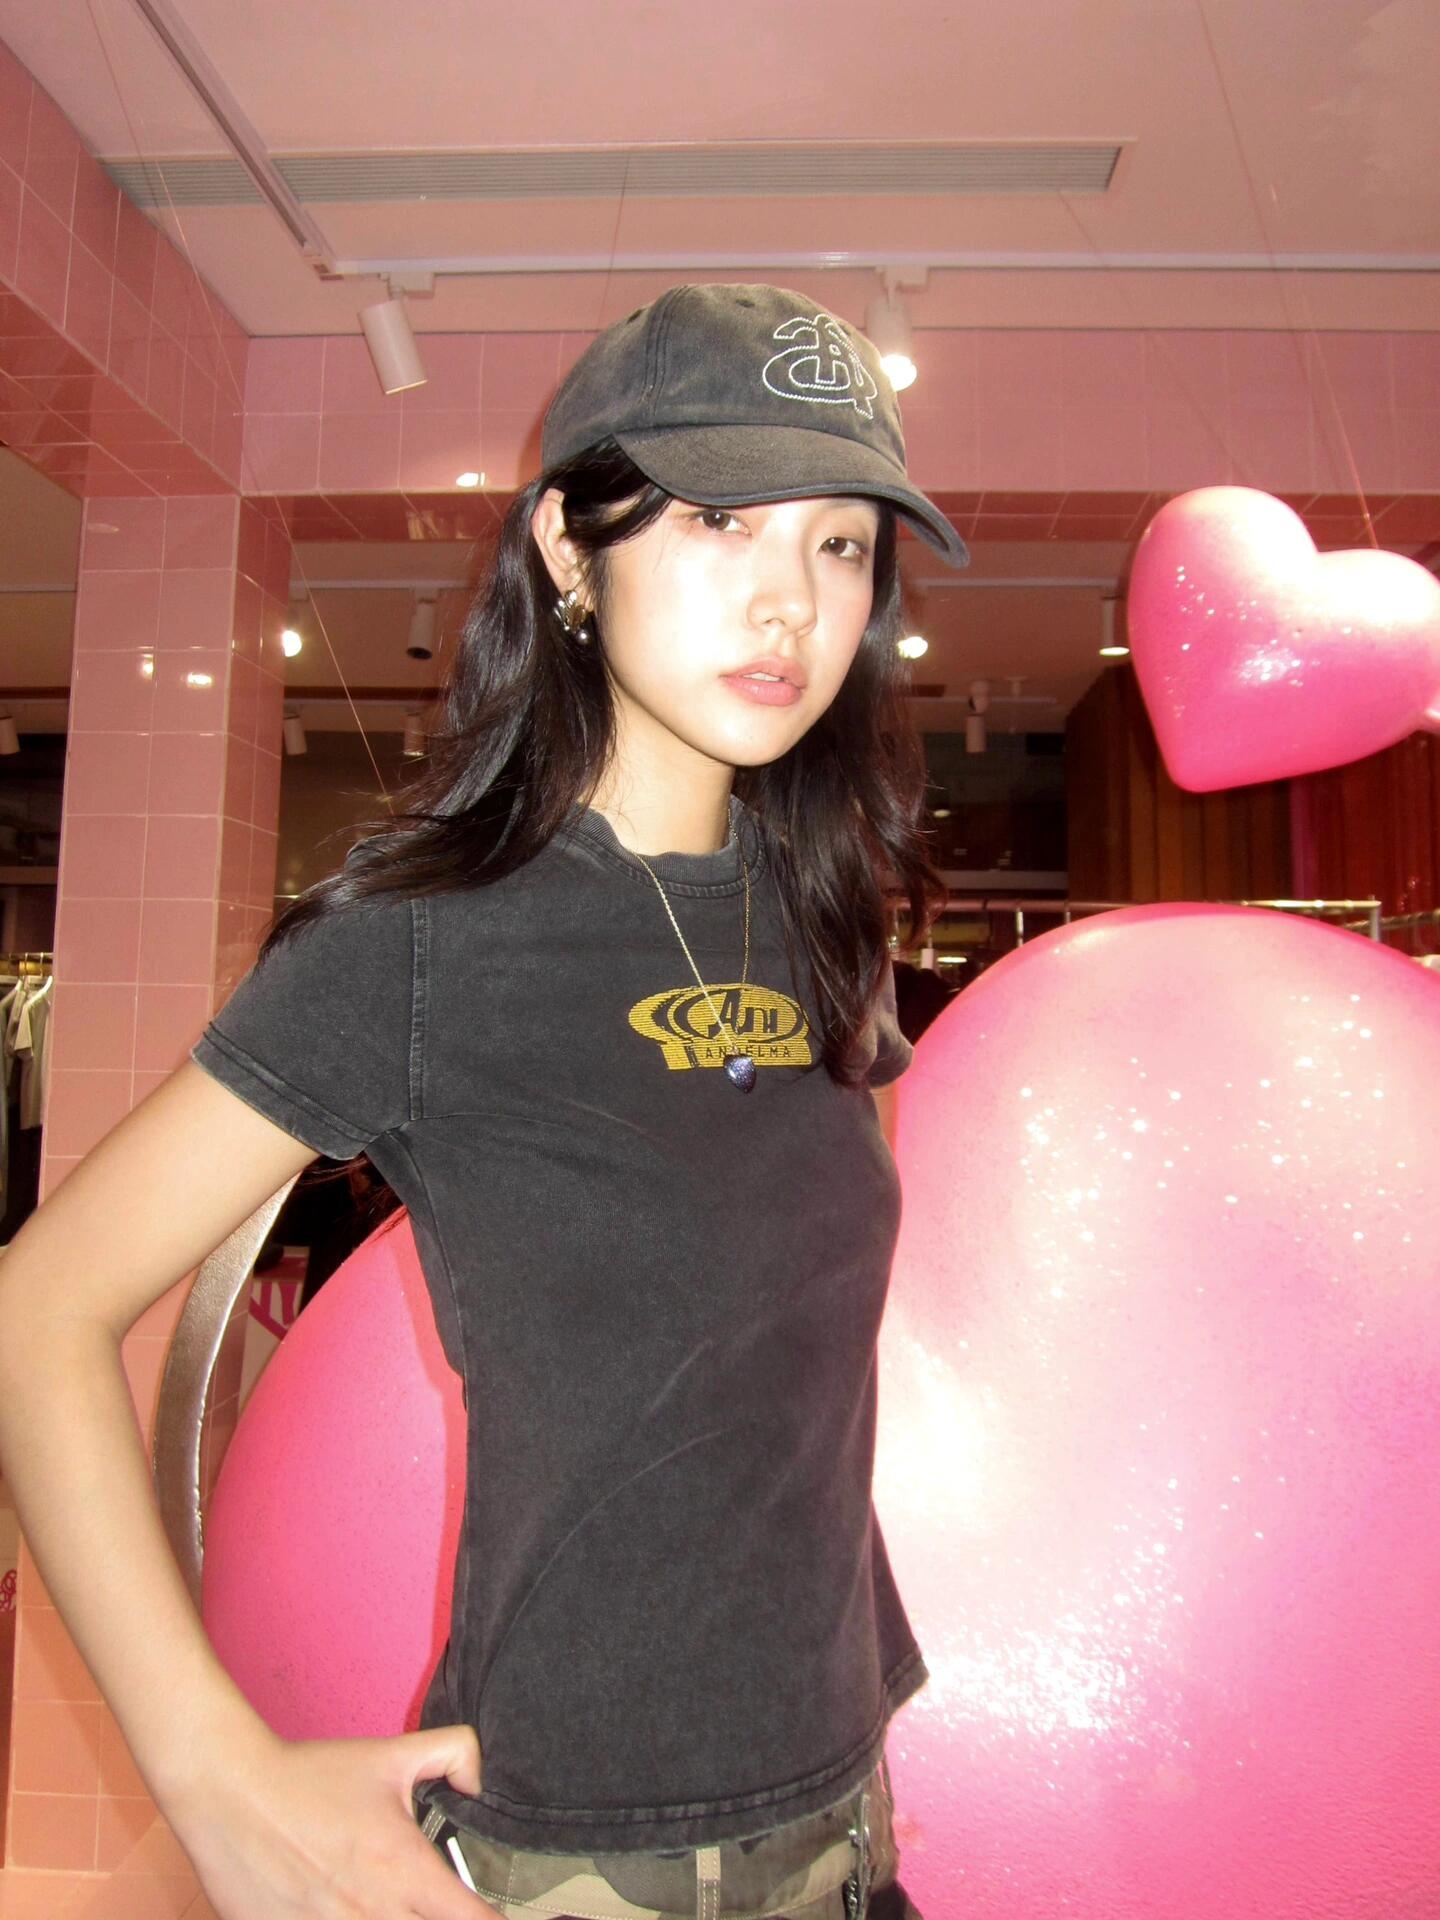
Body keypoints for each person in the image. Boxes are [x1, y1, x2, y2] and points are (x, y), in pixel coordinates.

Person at [0, 282, 969, 1920]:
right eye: (721, 520)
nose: (788, 602)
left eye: (840, 546)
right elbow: (40, 1309)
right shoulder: (424, 943)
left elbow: (779, 1382)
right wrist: (212, 1776)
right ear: (570, 550)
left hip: (844, 1830)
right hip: (584, 1861)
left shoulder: (826, 920)